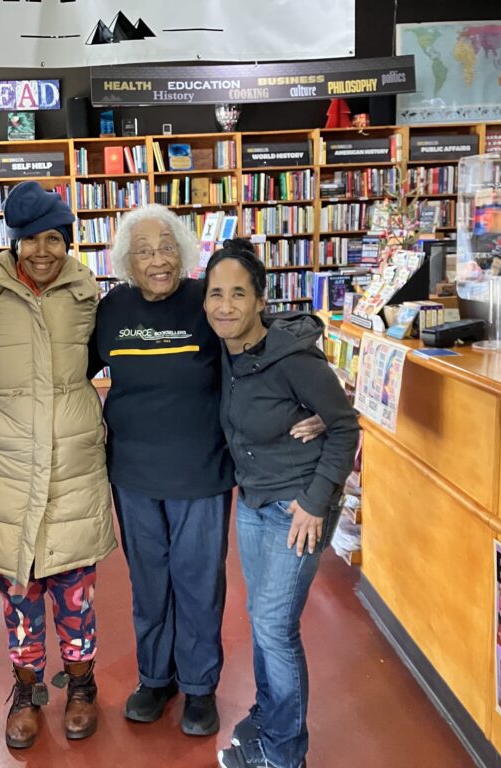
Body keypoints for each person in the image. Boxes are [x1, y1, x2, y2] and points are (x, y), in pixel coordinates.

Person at [88, 205, 324, 736]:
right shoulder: (112, 308)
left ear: (183, 253)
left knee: (198, 583)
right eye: (144, 251)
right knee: (149, 583)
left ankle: (199, 687)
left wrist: (314, 397)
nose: (157, 260)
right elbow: (75, 372)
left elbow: (270, 340)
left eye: (166, 248)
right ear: (126, 260)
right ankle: (155, 678)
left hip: (201, 471)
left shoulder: (207, 301)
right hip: (133, 473)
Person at [0, 181, 115, 749]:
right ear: (13, 243)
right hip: (7, 460)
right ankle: (26, 691)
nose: (42, 251)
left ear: (68, 242)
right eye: (30, 240)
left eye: (54, 239)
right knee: (19, 590)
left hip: (71, 457)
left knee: (75, 589)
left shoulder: (87, 294)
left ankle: (82, 686)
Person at [203, 239, 360, 768]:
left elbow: (344, 428)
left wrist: (316, 502)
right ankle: (271, 717)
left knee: (274, 625)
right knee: (262, 618)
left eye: (238, 294)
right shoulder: (225, 352)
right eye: (216, 294)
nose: (226, 305)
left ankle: (284, 754)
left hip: (299, 506)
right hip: (254, 500)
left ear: (260, 300)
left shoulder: (293, 359)